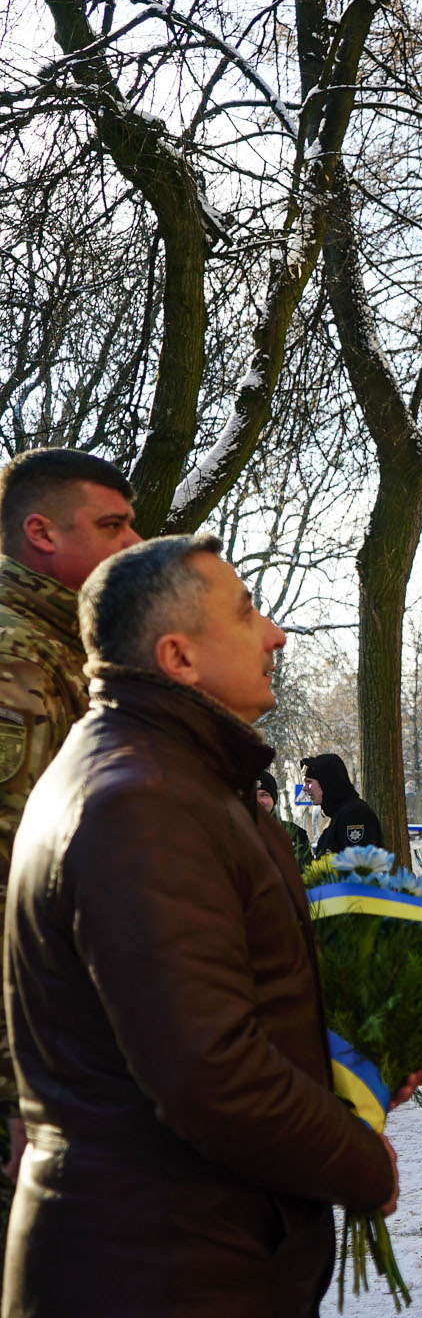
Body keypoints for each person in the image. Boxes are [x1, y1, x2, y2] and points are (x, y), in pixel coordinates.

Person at [3, 534, 405, 1318]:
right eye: (247, 612)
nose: (276, 636)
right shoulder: (139, 800)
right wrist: (359, 1160)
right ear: (178, 655)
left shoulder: (172, 776)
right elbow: (207, 1068)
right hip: (157, 1287)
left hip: (187, 1264)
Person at [0, 447, 138, 1266]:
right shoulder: (18, 661)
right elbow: (14, 893)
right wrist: (25, 1089)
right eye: (111, 524)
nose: (131, 542)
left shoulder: (64, 652)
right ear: (41, 532)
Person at [301, 750, 382, 853]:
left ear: (327, 781)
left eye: (309, 782)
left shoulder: (354, 815)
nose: (304, 788)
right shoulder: (339, 815)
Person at [256, 768, 316, 868]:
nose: (258, 801)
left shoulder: (295, 834)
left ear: (274, 799)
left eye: (264, 795)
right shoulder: (232, 835)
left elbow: (309, 874)